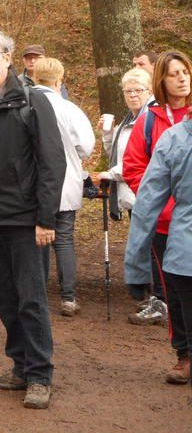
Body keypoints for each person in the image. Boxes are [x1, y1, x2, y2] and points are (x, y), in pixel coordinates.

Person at [0, 30, 65, 410]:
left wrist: (46, 218)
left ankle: (39, 375)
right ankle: (20, 366)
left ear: (7, 58)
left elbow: (53, 163)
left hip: (26, 220)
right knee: (3, 297)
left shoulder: (31, 101)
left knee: (31, 299)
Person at [123, 50, 192, 385]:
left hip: (184, 217)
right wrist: (165, 205)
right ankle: (183, 354)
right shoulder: (151, 120)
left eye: (185, 72)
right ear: (161, 80)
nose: (181, 78)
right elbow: (135, 168)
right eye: (173, 73)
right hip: (165, 222)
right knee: (175, 294)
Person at [31, 58, 95, 316]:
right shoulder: (69, 109)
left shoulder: (25, 104)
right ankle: (68, 297)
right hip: (66, 180)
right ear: (59, 80)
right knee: (64, 239)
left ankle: (38, 294)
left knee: (37, 238)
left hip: (33, 183)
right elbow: (86, 147)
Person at [98, 68, 161, 322]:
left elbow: (144, 159)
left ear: (150, 91)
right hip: (135, 194)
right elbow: (118, 153)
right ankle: (151, 296)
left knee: (155, 248)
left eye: (139, 90)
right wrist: (107, 133)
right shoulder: (129, 118)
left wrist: (109, 174)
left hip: (149, 194)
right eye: (128, 91)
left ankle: (160, 300)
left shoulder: (150, 117)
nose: (133, 95)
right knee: (146, 247)